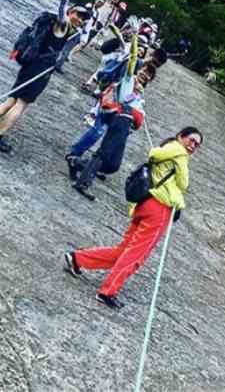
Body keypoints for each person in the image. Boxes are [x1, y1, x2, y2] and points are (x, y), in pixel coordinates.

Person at [64, 127, 203, 309]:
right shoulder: (179, 154)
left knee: (123, 251)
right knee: (136, 254)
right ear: (180, 137)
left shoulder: (166, 150)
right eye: (191, 140)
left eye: (197, 144)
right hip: (159, 209)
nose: (193, 146)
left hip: (144, 204)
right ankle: (107, 292)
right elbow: (182, 184)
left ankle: (78, 259)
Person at [0, 0, 89, 153]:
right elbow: (63, 17)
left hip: (31, 65)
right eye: (78, 15)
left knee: (11, 101)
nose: (80, 19)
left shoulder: (67, 29)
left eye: (83, 18)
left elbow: (76, 33)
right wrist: (64, 3)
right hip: (39, 70)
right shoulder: (61, 24)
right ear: (71, 12)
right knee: (20, 105)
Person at [65, 28, 154, 199]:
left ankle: (77, 162)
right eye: (142, 74)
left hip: (124, 126)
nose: (143, 78)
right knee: (102, 151)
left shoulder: (140, 95)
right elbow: (133, 58)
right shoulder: (129, 79)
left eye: (147, 78)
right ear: (137, 71)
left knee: (113, 165)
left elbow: (139, 116)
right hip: (115, 118)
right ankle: (83, 180)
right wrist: (135, 40)